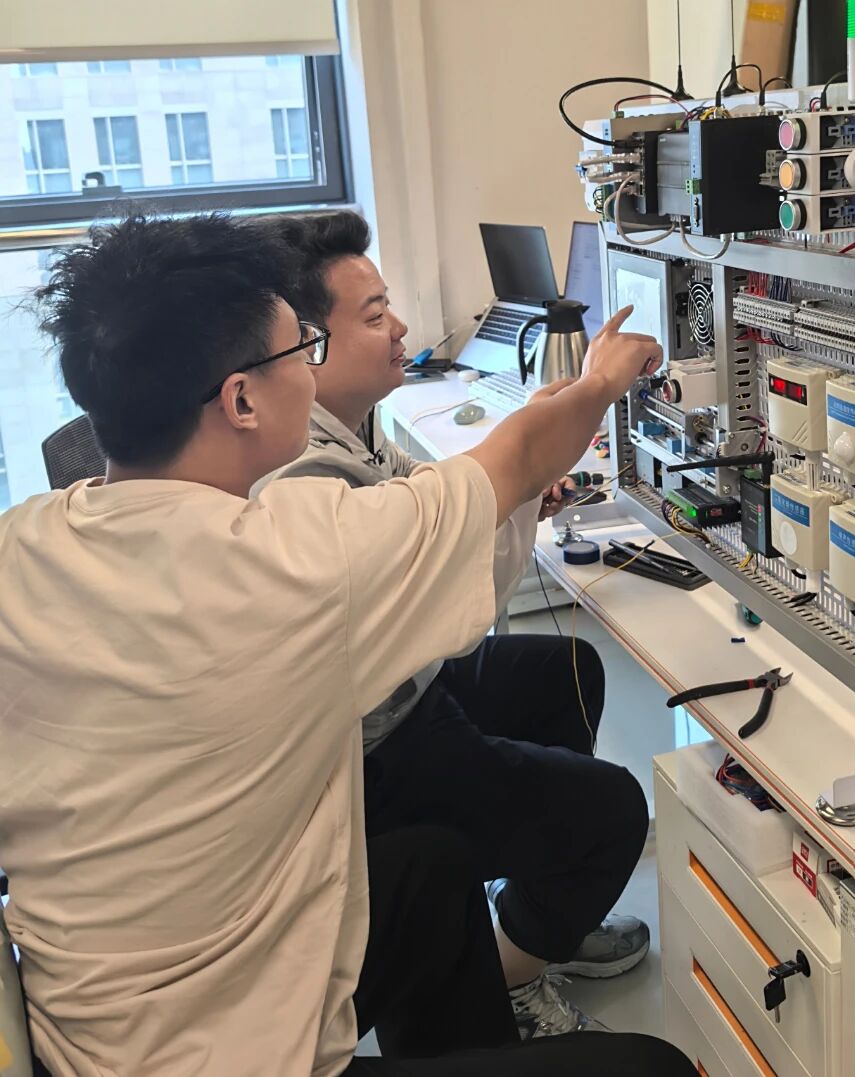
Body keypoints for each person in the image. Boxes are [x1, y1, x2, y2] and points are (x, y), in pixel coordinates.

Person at [0, 212, 695, 1077]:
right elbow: (520, 456)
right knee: (654, 1068)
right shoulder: (297, 563)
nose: (313, 366)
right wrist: (602, 377)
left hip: (83, 1028)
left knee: (429, 873)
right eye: (302, 349)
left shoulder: (22, 541)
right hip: (221, 1057)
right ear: (240, 399)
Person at [255, 211, 648, 1038]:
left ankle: (533, 910)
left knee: (567, 673)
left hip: (400, 687)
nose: (400, 327)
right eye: (375, 315)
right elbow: (455, 607)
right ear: (305, 347)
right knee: (613, 811)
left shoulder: (348, 430)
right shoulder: (307, 477)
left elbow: (444, 504)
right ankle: (511, 971)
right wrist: (586, 397)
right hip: (375, 742)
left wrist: (527, 460)